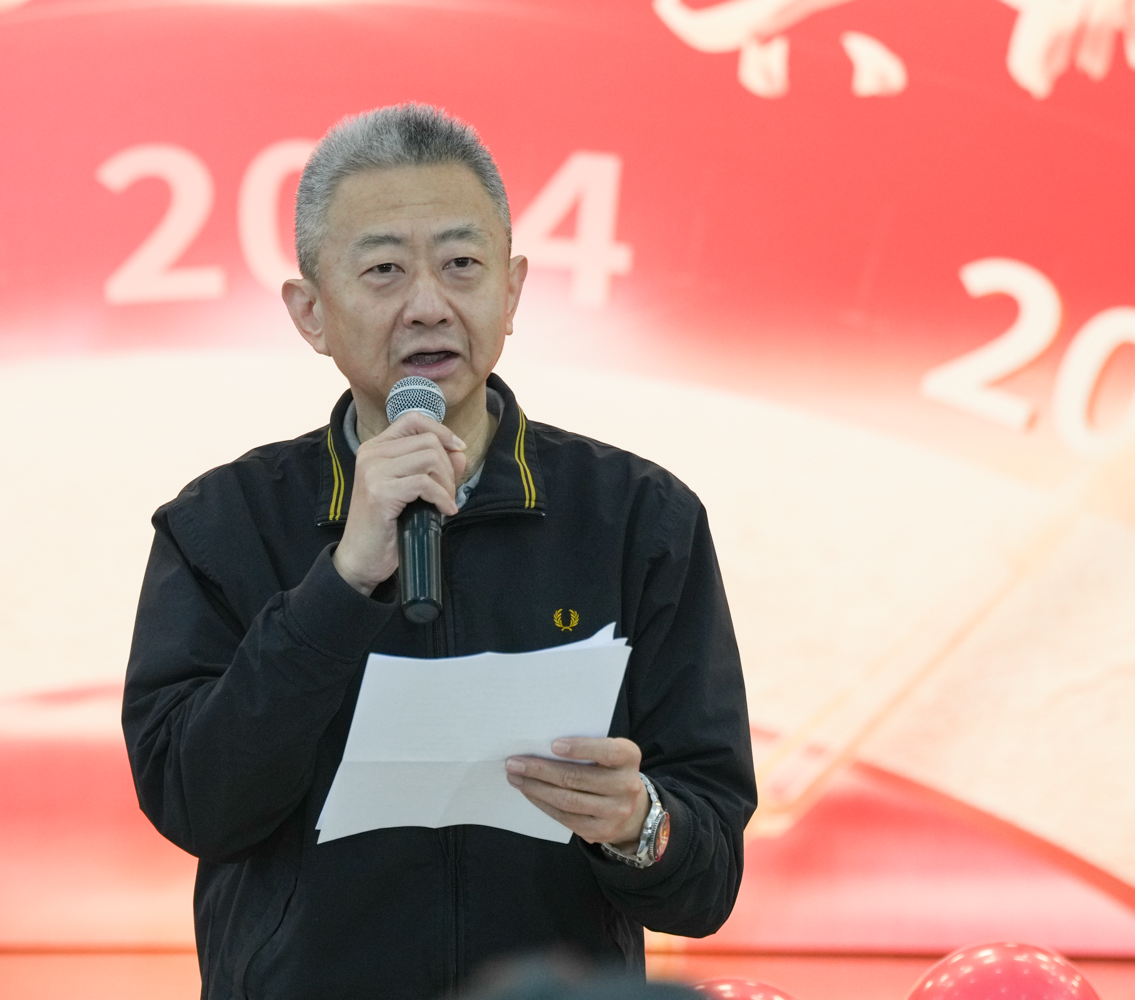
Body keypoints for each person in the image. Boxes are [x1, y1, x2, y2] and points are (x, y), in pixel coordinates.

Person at [122, 104, 756, 1000]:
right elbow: (196, 804)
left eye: (462, 264)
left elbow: (709, 876)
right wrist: (342, 584)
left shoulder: (640, 519)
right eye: (384, 269)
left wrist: (638, 823)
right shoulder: (222, 524)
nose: (429, 304)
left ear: (513, 290)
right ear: (310, 312)